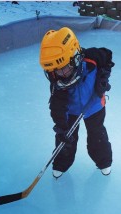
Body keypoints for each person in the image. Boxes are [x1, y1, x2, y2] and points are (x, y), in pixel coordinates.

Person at [39, 27, 114, 178]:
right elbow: (56, 107)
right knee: (66, 141)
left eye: (62, 69)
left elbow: (107, 57)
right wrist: (61, 127)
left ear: (75, 57)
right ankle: (61, 163)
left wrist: (103, 78)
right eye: (53, 71)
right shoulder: (59, 82)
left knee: (97, 136)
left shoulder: (93, 57)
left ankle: (104, 161)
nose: (58, 75)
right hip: (71, 111)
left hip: (94, 106)